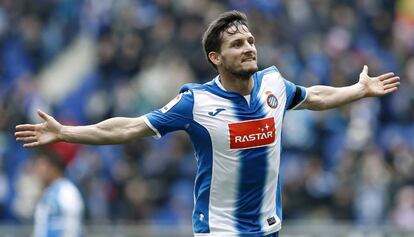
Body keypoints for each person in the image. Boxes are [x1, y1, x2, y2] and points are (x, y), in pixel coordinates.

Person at [15, 10, 400, 237]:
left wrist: (358, 90)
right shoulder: (195, 101)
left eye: (250, 41)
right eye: (237, 44)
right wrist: (66, 132)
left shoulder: (273, 84)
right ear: (216, 57)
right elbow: (129, 127)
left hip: (268, 229)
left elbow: (313, 96)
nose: (249, 47)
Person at [31, 150, 84, 237]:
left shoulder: (66, 191)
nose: (38, 170)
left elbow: (72, 226)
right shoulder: (48, 192)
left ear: (54, 168)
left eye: (41, 165)